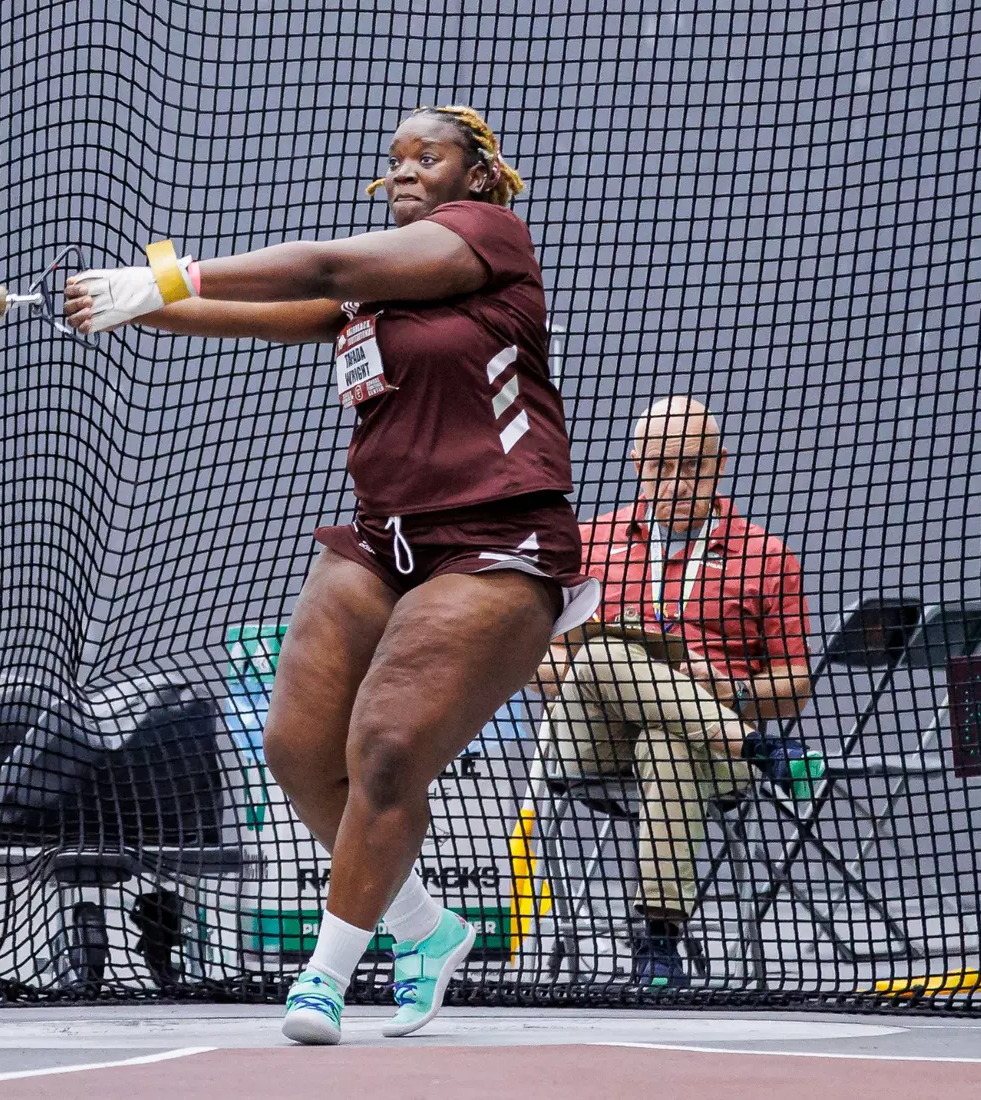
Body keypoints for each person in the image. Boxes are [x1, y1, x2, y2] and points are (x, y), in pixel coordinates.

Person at [65, 105, 599, 1043]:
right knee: (299, 748)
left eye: (425, 157)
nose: (403, 173)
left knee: (387, 745)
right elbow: (265, 313)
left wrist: (165, 271)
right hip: (383, 539)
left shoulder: (486, 239)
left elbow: (321, 262)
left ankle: (328, 972)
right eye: (392, 162)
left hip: (500, 539)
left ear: (473, 177)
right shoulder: (373, 298)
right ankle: (425, 930)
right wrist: (137, 303)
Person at [534, 396, 815, 988]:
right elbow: (533, 652)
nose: (677, 482)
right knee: (606, 654)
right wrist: (578, 671)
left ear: (720, 465)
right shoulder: (586, 542)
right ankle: (758, 749)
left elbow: (795, 685)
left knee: (666, 746)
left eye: (692, 465)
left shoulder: (768, 557)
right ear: (637, 465)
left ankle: (657, 943)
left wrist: (732, 690)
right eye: (661, 467)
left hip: (704, 753)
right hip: (591, 735)